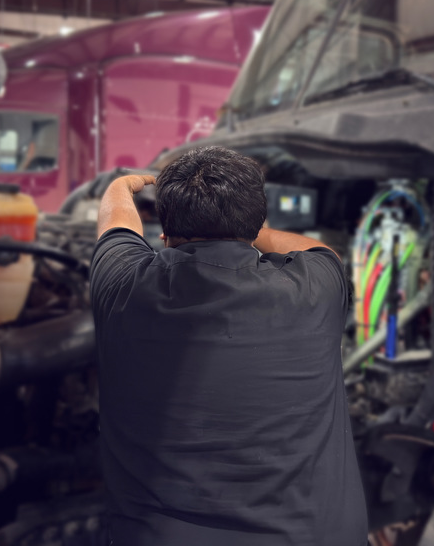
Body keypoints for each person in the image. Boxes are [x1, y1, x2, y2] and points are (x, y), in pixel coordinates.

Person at [90, 146, 368, 546]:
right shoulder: (318, 285)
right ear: (256, 227)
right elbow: (314, 249)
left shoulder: (121, 289)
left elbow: (116, 227)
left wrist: (121, 185)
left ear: (164, 237)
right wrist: (244, 228)